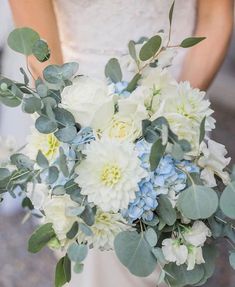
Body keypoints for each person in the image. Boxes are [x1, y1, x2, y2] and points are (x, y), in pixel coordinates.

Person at [8, 1, 234, 286]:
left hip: (177, 96)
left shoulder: (177, 114)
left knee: (172, 253)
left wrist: (172, 118)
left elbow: (216, 14)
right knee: (89, 252)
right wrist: (81, 134)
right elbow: (38, 41)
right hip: (75, 107)